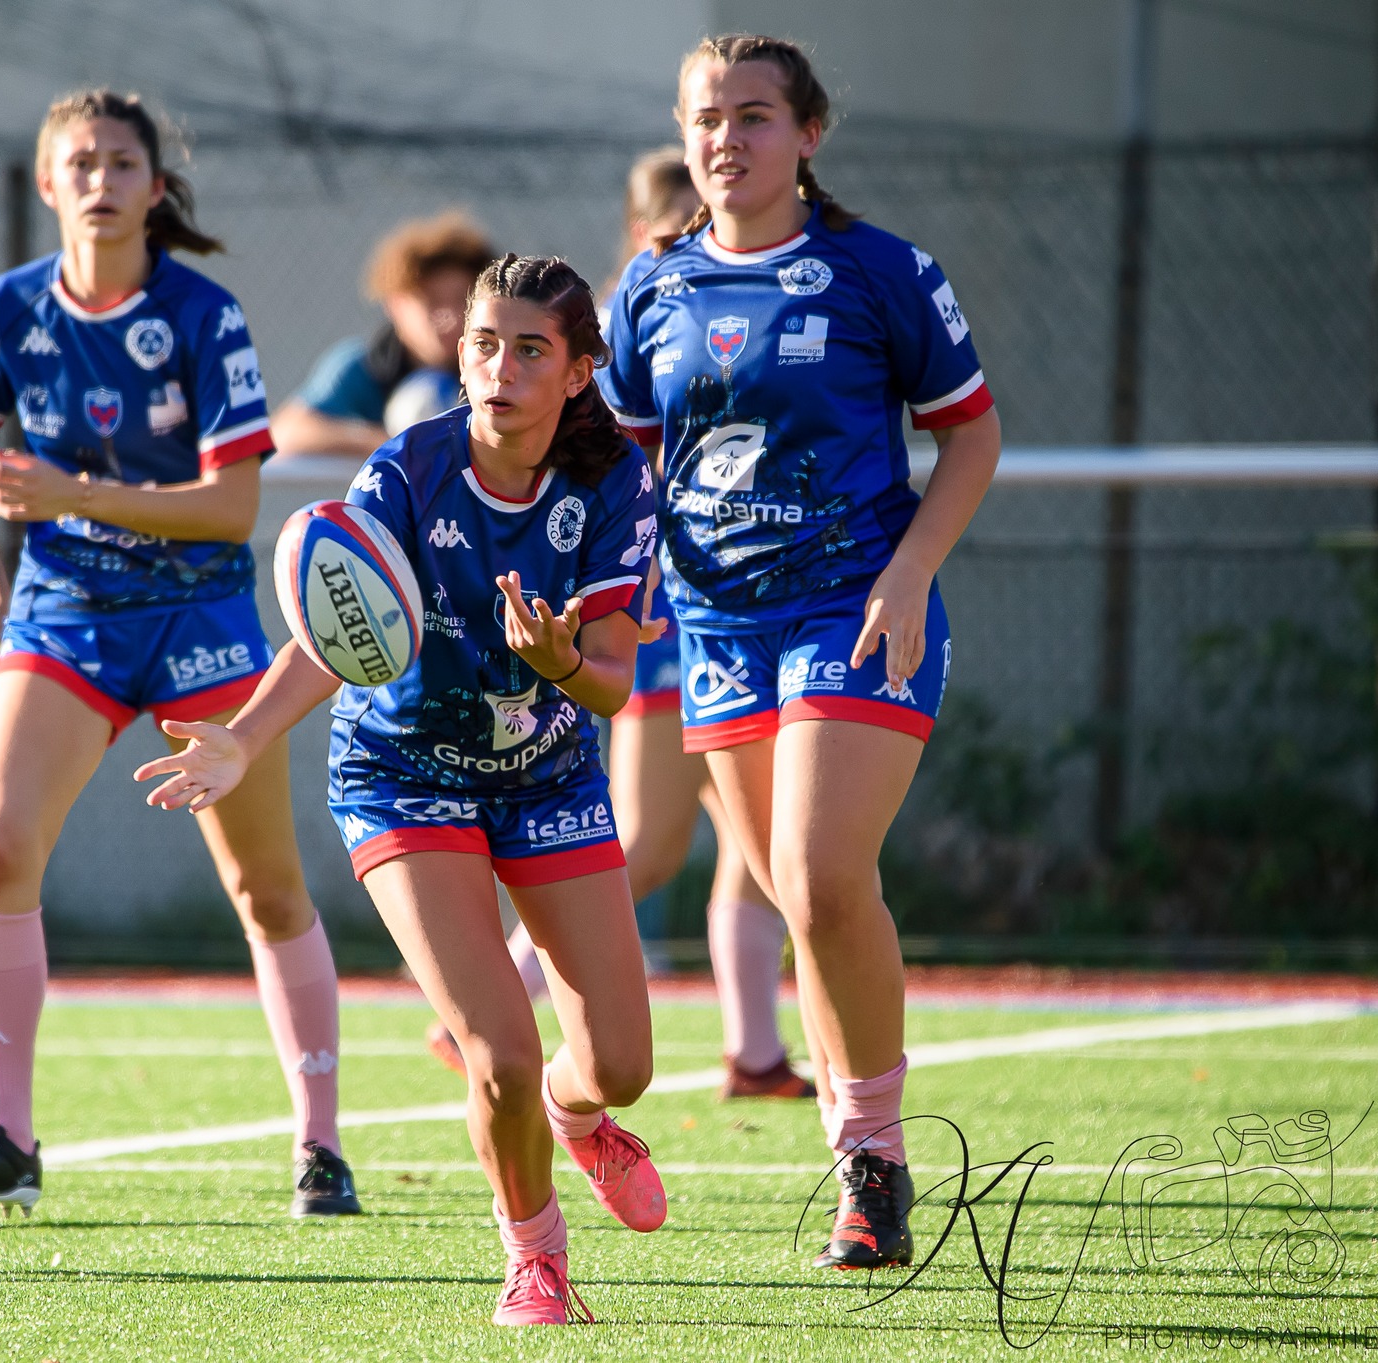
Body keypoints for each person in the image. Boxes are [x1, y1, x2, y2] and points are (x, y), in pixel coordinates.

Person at [140, 255, 667, 1327]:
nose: (498, 367)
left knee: (616, 1063)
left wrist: (560, 661)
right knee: (500, 1049)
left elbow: (610, 681)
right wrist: (241, 742)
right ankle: (534, 1254)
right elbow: (334, 633)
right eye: (482, 344)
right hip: (402, 774)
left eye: (530, 349)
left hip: (543, 771)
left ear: (575, 373)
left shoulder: (614, 481)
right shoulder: (407, 467)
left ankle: (577, 1116)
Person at [0, 89, 359, 1220]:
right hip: (63, 611)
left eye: (119, 161)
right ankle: (10, 1138)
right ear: (48, 185)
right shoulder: (4, 311)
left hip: (199, 619)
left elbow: (233, 504)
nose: (98, 178)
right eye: (77, 161)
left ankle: (319, 1145)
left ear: (156, 188)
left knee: (264, 887)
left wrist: (73, 493)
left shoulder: (203, 315)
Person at [598, 35, 1002, 1270]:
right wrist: (607, 599)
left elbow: (971, 438)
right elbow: (621, 462)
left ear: (808, 134)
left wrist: (910, 569)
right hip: (716, 627)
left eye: (755, 116)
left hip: (855, 608)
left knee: (820, 876)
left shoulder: (877, 272)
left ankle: (872, 1157)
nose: (726, 139)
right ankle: (847, 1138)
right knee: (790, 894)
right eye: (705, 118)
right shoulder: (649, 289)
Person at [425, 149, 819, 1105]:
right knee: (648, 842)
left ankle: (756, 1051)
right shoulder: (604, 336)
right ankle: (488, 1005)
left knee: (757, 846)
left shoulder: (741, 302)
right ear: (648, 236)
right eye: (688, 225)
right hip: (661, 620)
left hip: (739, 610)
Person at [270, 212, 497, 457]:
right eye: (431, 302)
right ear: (394, 304)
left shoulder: (501, 368)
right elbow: (286, 431)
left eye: (462, 301)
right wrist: (394, 444)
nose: (450, 316)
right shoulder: (363, 367)